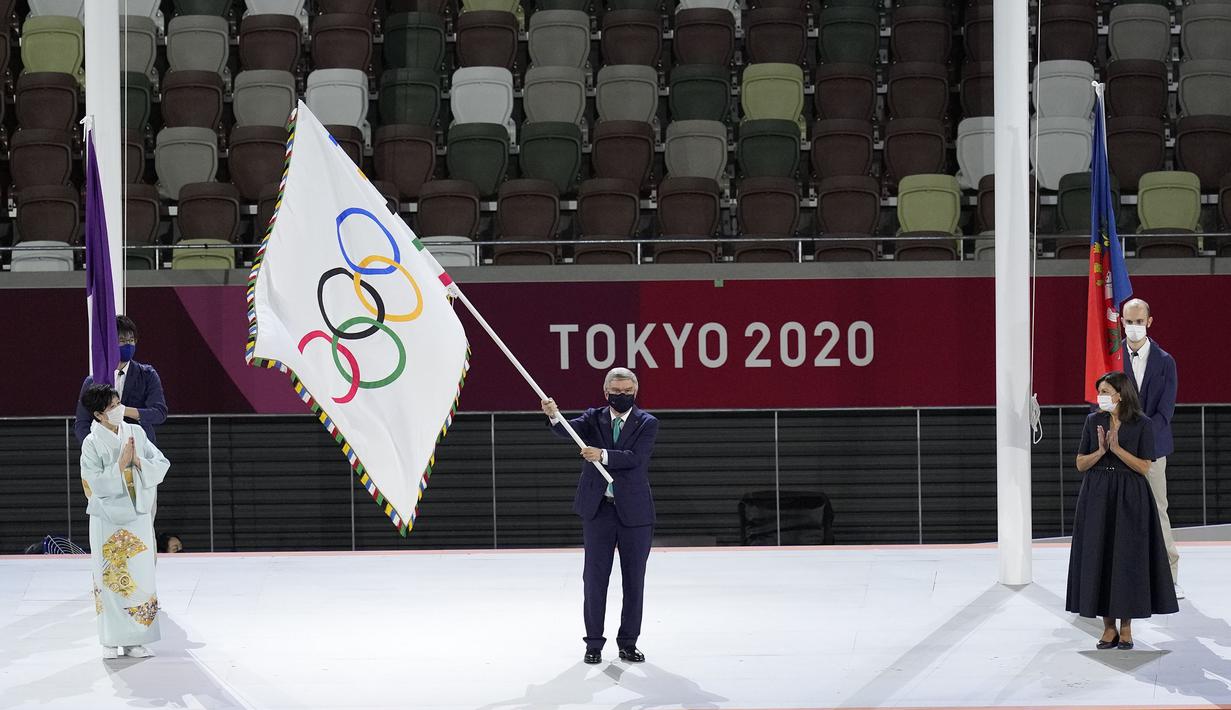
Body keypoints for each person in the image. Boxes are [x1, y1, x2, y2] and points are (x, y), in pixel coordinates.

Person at [541, 367, 659, 666]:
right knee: (594, 579)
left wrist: (602, 455)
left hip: (634, 513)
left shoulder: (647, 423)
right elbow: (565, 430)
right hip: (598, 511)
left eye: (627, 392)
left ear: (636, 392)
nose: (622, 397)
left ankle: (628, 643)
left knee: (634, 580)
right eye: (616, 392)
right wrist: (554, 415)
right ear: (606, 393)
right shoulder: (594, 417)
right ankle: (593, 643)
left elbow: (636, 459)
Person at [1067, 371, 1178, 650]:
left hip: (1130, 496)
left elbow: (1144, 466)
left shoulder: (1142, 424)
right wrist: (1101, 451)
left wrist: (1117, 450)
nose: (1101, 396)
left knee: (1126, 560)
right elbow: (1081, 463)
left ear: (1120, 393)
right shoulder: (1093, 420)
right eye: (1099, 392)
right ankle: (1108, 628)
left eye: (1105, 391)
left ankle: (1126, 628)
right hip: (1097, 495)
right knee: (1101, 555)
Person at [80, 383, 171, 659]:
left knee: (140, 575)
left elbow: (162, 462)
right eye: (111, 408)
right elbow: (91, 482)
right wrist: (119, 466)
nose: (118, 410)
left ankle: (135, 638)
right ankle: (109, 639)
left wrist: (139, 463)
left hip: (137, 512)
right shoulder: (91, 442)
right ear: (98, 415)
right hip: (107, 518)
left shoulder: (137, 432)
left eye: (118, 404)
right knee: (110, 576)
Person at [1121, 297, 1182, 599]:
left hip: (1153, 449)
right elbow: (1101, 402)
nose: (1134, 327)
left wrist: (1142, 442)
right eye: (1129, 322)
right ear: (1121, 322)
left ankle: (1169, 576)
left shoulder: (1165, 361)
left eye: (1139, 322)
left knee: (1158, 510)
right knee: (1121, 513)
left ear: (1149, 322)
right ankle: (1125, 577)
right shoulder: (1110, 357)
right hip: (1118, 451)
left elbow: (1165, 412)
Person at [74, 315, 168, 446]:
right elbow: (82, 423)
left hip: (140, 448)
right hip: (105, 450)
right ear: (110, 343)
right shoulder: (93, 381)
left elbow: (159, 413)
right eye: (122, 340)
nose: (128, 344)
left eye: (131, 340)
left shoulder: (147, 375)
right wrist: (94, 448)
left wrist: (123, 410)